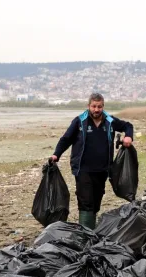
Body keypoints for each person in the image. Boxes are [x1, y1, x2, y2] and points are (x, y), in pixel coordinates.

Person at [51, 93, 134, 229]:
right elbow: (66, 139)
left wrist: (128, 137)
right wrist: (56, 155)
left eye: (99, 107)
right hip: (82, 169)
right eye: (94, 106)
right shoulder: (79, 121)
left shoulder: (110, 121)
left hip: (102, 170)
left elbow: (128, 126)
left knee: (96, 201)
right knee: (86, 201)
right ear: (88, 106)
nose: (96, 110)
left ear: (103, 106)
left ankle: (90, 229)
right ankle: (85, 233)